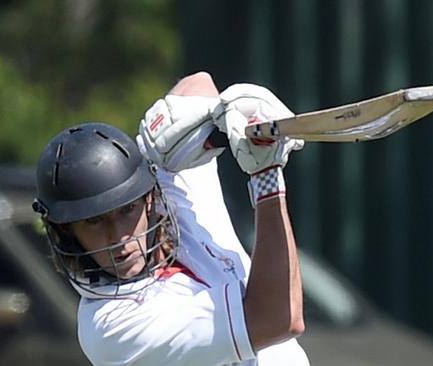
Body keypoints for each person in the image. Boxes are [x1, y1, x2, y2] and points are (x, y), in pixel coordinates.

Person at [32, 71, 309, 365]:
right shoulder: (112, 327)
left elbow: (200, 83)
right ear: (66, 231)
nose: (120, 239)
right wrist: (265, 176)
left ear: (148, 199)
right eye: (95, 221)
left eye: (127, 211)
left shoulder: (169, 192)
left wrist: (223, 113)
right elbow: (281, 319)